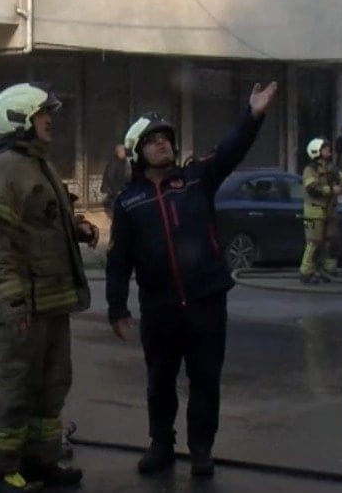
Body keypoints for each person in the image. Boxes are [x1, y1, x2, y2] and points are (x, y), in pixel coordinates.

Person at [106, 81, 278, 479]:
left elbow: (230, 150)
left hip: (205, 303)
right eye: (152, 140)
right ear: (137, 152)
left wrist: (252, 115)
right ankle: (161, 446)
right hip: (160, 309)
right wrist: (117, 306)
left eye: (166, 137)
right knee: (160, 382)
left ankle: (201, 448)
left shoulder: (197, 179)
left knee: (205, 379)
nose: (162, 144)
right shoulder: (129, 202)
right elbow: (118, 261)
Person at [0, 82, 99, 493]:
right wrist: (12, 301)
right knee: (16, 386)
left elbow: (41, 219)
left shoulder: (36, 164)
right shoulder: (5, 169)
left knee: (51, 384)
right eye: (43, 113)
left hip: (49, 299)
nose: (51, 121)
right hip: (23, 305)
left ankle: (40, 461)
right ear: (20, 118)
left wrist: (77, 228)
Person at [300, 137, 342, 284]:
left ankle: (329, 270)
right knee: (314, 242)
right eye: (325, 148)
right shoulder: (310, 170)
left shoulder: (332, 168)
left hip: (329, 211)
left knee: (331, 240)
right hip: (314, 212)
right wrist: (331, 189)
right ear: (316, 151)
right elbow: (312, 188)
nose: (328, 150)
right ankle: (306, 272)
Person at [99, 144, 130, 215]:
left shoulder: (124, 161)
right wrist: (117, 190)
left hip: (119, 189)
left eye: (124, 151)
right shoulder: (113, 162)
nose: (124, 153)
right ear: (118, 153)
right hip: (111, 190)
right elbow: (110, 177)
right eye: (122, 151)